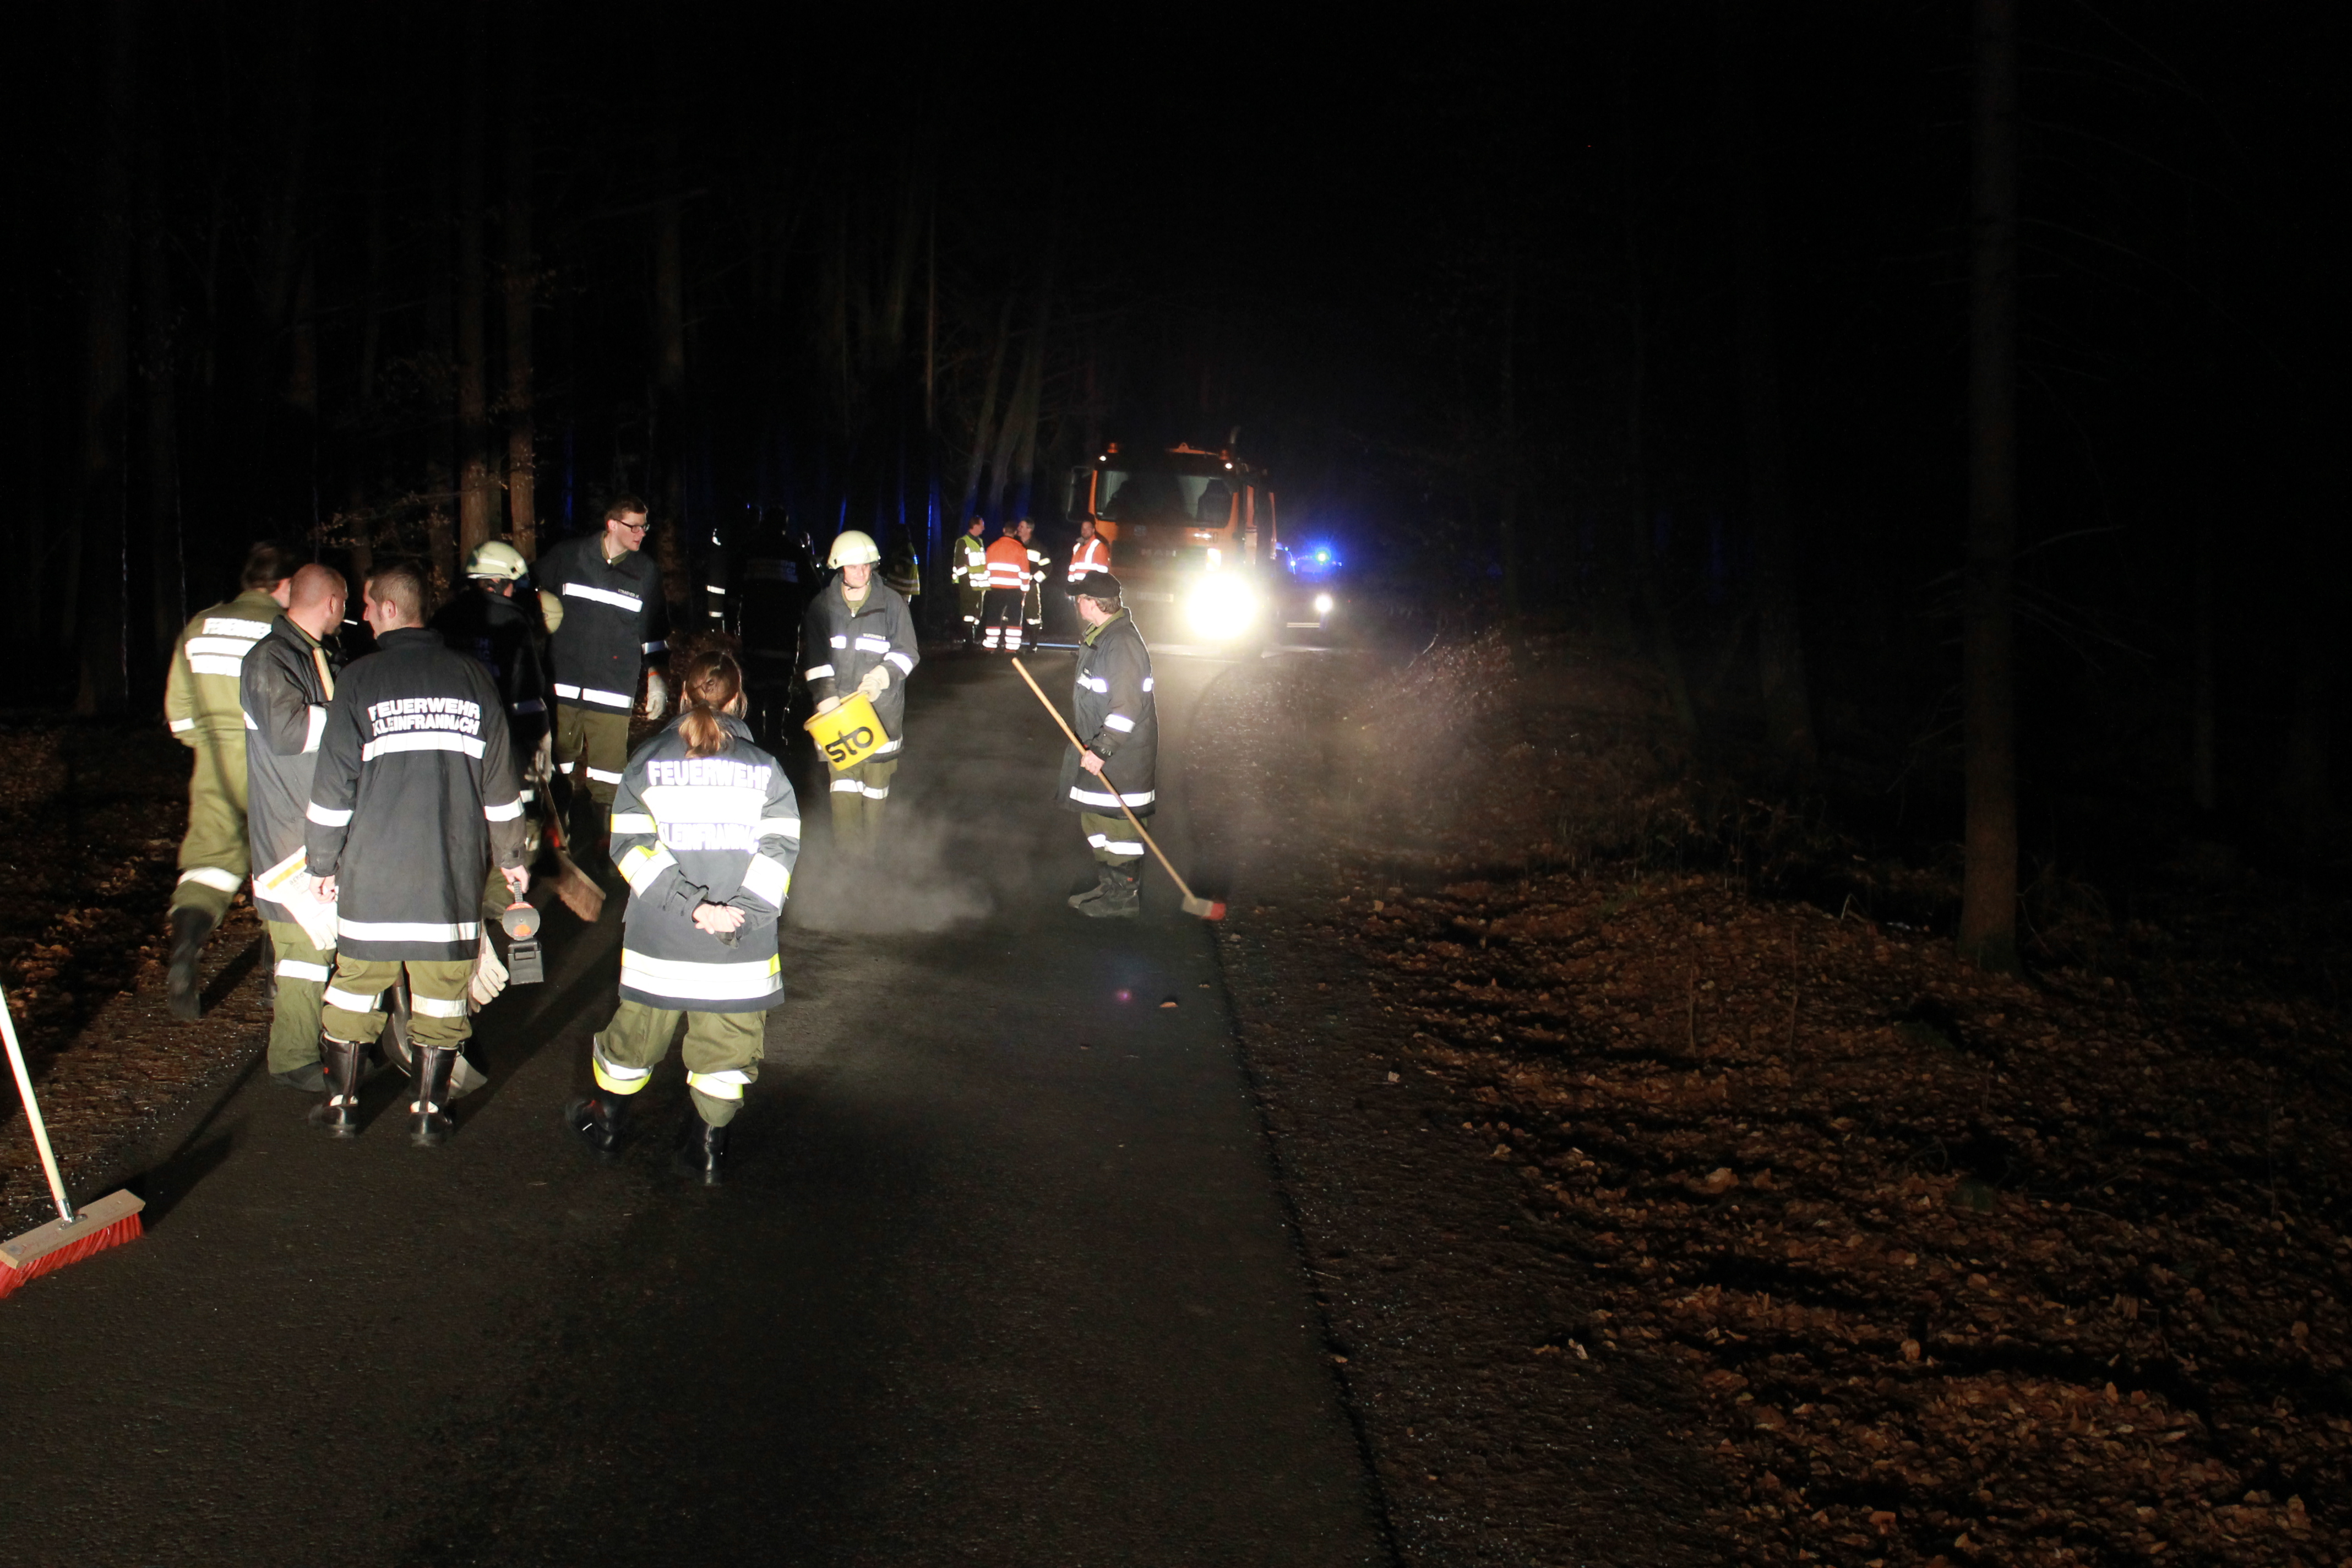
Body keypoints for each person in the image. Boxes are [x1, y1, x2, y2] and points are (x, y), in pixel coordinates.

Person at [306, 563, 530, 1145]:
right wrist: (511, 857)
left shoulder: (359, 679)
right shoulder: (472, 676)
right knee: (442, 992)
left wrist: (321, 864)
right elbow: (501, 784)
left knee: (356, 985)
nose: (363, 616)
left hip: (374, 872)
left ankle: (342, 1106)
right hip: (448, 871)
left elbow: (333, 786)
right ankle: (429, 1113)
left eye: (366, 605)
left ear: (387, 609)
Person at [564, 651, 798, 1184]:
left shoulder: (647, 761)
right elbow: (781, 852)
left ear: (685, 695)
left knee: (633, 1041)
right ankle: (708, 1152)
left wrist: (691, 906)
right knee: (727, 1051)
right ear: (738, 699)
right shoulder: (766, 769)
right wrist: (737, 916)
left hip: (661, 946)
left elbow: (631, 849)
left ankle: (606, 1127)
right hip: (737, 953)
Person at [165, 540, 298, 1021]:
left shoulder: (199, 626)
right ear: (285, 584)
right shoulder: (287, 629)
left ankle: (185, 951)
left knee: (209, 865)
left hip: (214, 768)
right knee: (285, 870)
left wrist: (210, 743)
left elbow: (179, 717)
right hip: (274, 768)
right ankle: (276, 977)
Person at [239, 563, 346, 1093]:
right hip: (288, 839)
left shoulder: (313, 654)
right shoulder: (270, 659)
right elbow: (287, 734)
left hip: (315, 827)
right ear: (332, 603)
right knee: (304, 952)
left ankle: (330, 1045)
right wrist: (353, 719)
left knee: (320, 949)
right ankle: (293, 1059)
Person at [533, 496, 668, 850]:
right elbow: (530, 592)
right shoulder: (568, 557)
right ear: (611, 525)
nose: (641, 533)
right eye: (633, 526)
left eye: (644, 526)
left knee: (608, 776)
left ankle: (606, 851)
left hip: (613, 689)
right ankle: (556, 838)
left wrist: (657, 677)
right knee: (557, 766)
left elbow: (654, 631)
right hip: (562, 685)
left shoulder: (645, 572)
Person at [433, 540, 557, 919]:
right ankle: (499, 900)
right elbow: (527, 693)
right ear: (499, 583)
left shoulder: (443, 620)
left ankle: (458, 900)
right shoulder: (515, 624)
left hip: (446, 740)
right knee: (519, 815)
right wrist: (539, 745)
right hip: (503, 742)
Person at [802, 529, 918, 856]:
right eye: (854, 566)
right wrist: (826, 699)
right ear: (840, 567)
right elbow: (817, 662)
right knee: (843, 794)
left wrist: (882, 676)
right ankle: (849, 865)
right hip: (839, 721)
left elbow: (907, 652)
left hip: (882, 717)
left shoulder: (892, 604)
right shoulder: (822, 607)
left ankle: (872, 861)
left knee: (876, 796)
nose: (862, 572)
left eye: (867, 565)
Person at [1060, 572, 1158, 918]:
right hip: (1100, 752)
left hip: (1120, 759)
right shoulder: (1101, 637)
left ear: (1093, 603)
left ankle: (1124, 897)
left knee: (1119, 829)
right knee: (1097, 822)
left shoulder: (1121, 644)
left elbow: (1126, 707)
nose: (1077, 604)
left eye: (1080, 598)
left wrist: (1102, 749)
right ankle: (1110, 887)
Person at [737, 507, 810, 744]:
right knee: (779, 685)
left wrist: (731, 623)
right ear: (784, 526)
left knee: (755, 686)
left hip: (754, 632)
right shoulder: (795, 554)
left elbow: (733, 589)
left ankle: (754, 737)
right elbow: (813, 592)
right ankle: (774, 736)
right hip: (784, 633)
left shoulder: (750, 550)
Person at [981, 523, 1030, 652]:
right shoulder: (1020, 549)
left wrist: (987, 586)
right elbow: (1025, 573)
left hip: (995, 589)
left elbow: (986, 570)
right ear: (1015, 533)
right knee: (1014, 618)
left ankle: (990, 645)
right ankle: (1012, 647)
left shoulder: (992, 548)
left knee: (994, 616)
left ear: (1004, 530)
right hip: (1014, 590)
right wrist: (1024, 590)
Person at [950, 515, 988, 646]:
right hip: (968, 585)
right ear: (975, 526)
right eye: (982, 525)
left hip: (980, 585)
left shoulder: (980, 541)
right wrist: (965, 582)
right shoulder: (963, 542)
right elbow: (960, 565)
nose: (984, 528)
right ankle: (969, 641)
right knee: (968, 613)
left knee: (977, 613)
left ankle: (971, 639)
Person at [1017, 519, 1048, 634]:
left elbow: (1047, 567)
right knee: (1009, 614)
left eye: (1022, 527)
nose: (1018, 529)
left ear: (1029, 529)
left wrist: (1034, 581)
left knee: (1033, 616)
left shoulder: (1038, 547)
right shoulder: (1014, 544)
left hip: (1031, 587)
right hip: (1014, 585)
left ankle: (1033, 642)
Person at [1065, 515, 1110, 586]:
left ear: (1093, 530)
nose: (1084, 531)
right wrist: (1071, 584)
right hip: (1077, 585)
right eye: (1083, 528)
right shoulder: (1077, 547)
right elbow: (1072, 567)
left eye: (1088, 529)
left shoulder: (1099, 546)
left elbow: (1103, 570)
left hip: (1091, 586)